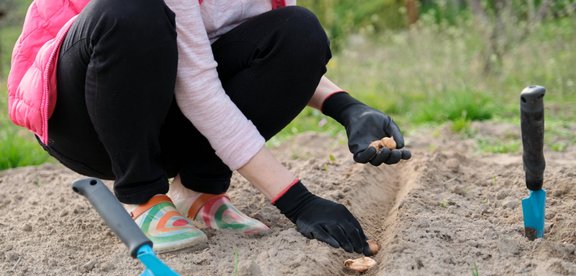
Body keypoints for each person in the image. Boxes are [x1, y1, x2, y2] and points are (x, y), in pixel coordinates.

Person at [8, 0, 411, 255]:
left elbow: (259, 51)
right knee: (134, 8)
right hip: (84, 117)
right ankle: (143, 196)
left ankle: (198, 189)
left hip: (164, 105)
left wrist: (348, 108)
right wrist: (297, 201)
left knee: (298, 30)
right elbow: (199, 88)